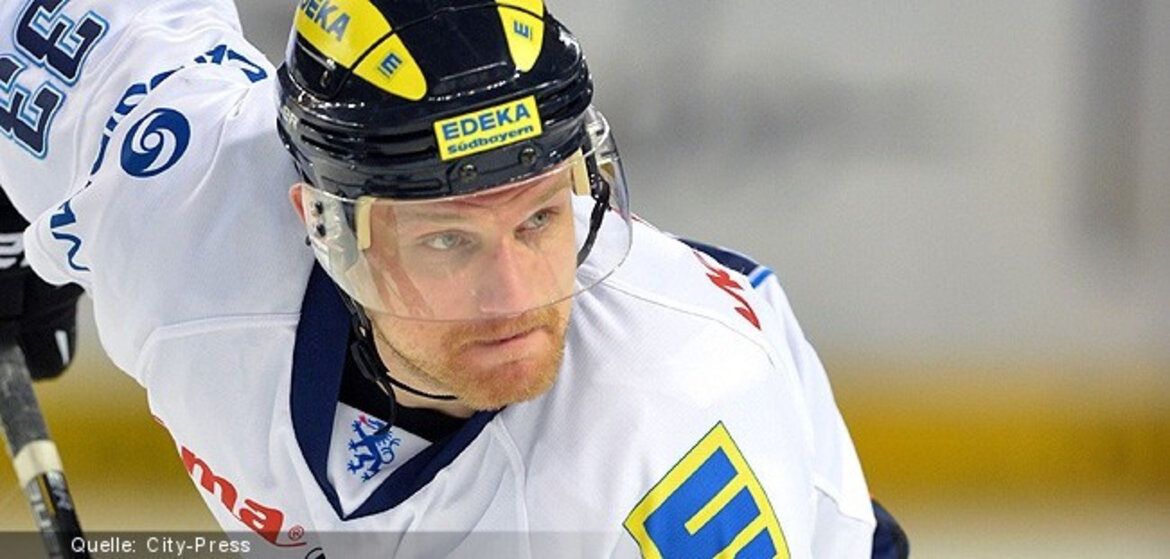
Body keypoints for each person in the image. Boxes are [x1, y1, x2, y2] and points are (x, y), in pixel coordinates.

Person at [0, 0, 907, 557]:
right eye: (446, 241)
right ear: (324, 225)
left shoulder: (662, 433)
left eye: (540, 219)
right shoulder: (179, 210)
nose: (515, 295)